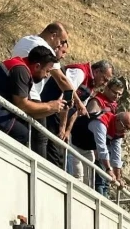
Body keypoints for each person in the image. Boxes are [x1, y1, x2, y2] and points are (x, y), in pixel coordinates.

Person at [0, 46, 65, 144]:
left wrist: (53, 109)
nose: (47, 76)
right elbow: (22, 105)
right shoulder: (21, 70)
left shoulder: (20, 66)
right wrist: (50, 106)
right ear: (37, 66)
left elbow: (30, 111)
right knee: (21, 133)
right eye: (47, 71)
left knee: (23, 128)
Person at [11, 23, 87, 157]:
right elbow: (61, 79)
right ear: (53, 36)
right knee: (41, 138)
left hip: (13, 88)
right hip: (31, 95)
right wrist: (79, 103)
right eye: (61, 41)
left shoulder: (25, 39)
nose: (60, 45)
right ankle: (39, 173)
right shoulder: (45, 49)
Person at [39, 60, 114, 168]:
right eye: (105, 79)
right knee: (54, 153)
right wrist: (62, 127)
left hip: (60, 115)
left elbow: (76, 111)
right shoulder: (80, 72)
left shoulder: (90, 86)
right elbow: (66, 97)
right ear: (97, 71)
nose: (105, 84)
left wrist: (68, 131)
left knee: (61, 154)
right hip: (50, 108)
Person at [69, 78, 124, 186]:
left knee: (89, 180)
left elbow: (116, 146)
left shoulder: (112, 106)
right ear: (107, 88)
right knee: (78, 175)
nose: (116, 96)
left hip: (88, 147)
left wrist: (118, 176)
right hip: (76, 141)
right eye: (115, 92)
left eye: (119, 94)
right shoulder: (97, 102)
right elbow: (90, 124)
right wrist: (108, 167)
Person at [89, 111, 130, 196]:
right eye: (124, 127)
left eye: (127, 129)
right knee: (100, 180)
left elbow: (116, 154)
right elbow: (102, 148)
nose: (124, 130)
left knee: (107, 181)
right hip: (83, 146)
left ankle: (103, 202)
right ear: (117, 120)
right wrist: (108, 169)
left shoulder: (118, 131)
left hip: (97, 154)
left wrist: (118, 177)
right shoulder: (101, 123)